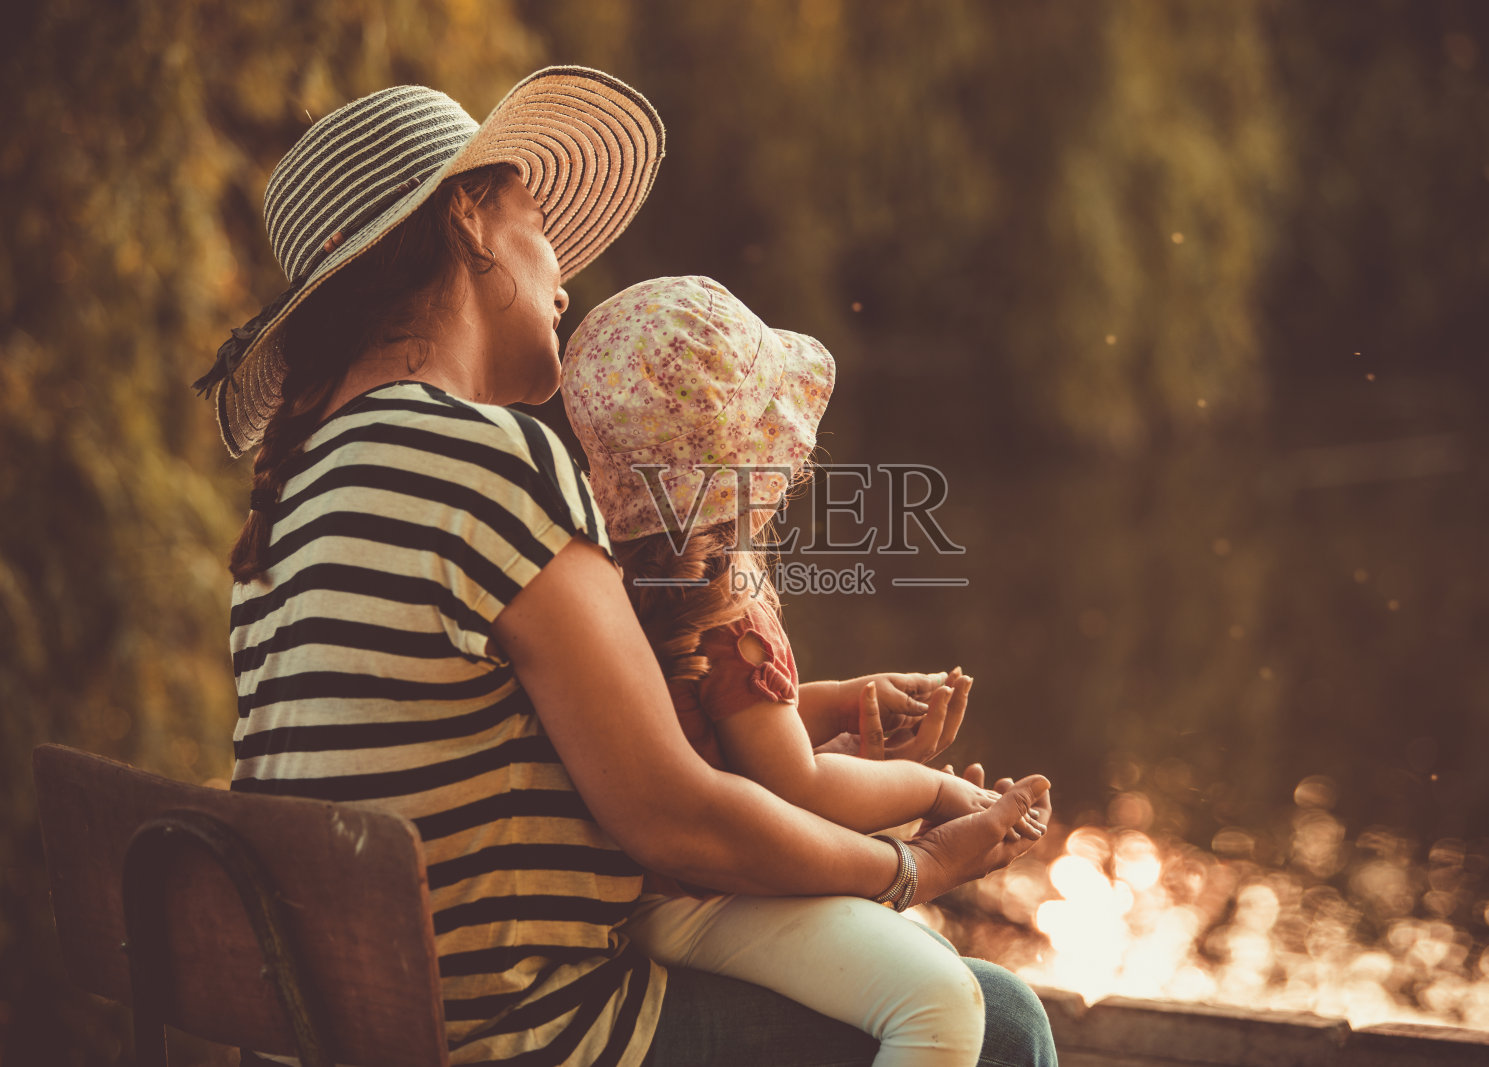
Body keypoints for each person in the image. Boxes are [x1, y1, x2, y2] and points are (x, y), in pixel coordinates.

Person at [198, 67, 1057, 1067]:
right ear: (471, 221)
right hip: (525, 1037)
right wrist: (911, 863)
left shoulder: (292, 499)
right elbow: (673, 817)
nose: (562, 277)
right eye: (538, 218)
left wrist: (806, 754)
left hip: (353, 1030)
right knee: (1000, 1023)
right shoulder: (482, 459)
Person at [560, 273, 1048, 1067]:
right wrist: (934, 792)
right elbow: (796, 786)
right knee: (940, 999)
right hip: (708, 897)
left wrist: (845, 701)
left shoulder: (614, 573)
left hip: (638, 896)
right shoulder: (726, 610)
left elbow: (731, 732)